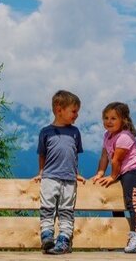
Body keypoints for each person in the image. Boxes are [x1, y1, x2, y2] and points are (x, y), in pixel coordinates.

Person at [91, 102, 136, 253]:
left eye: (113, 118)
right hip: (123, 172)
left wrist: (112, 177)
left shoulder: (124, 137)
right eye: (106, 118)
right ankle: (118, 238)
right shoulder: (107, 135)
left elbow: (116, 160)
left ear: (123, 120)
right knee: (116, 203)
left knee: (132, 202)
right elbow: (105, 156)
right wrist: (100, 173)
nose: (108, 121)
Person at [33, 90, 84, 255]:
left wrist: (76, 173)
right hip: (49, 177)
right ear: (59, 109)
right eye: (74, 111)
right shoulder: (45, 132)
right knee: (47, 208)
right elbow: (42, 154)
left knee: (66, 210)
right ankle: (47, 236)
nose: (76, 115)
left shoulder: (75, 132)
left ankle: (64, 240)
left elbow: (74, 154)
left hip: (69, 178)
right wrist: (41, 172)